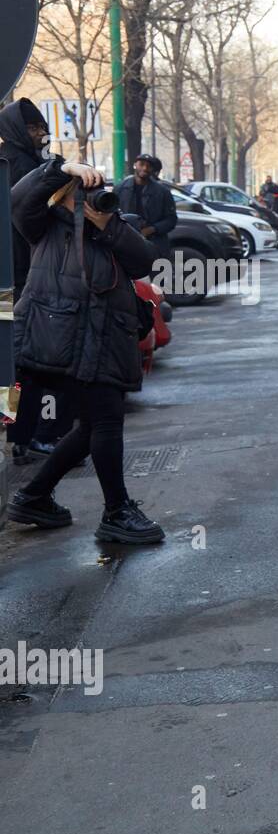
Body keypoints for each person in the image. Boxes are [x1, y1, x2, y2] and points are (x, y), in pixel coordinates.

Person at [5, 155, 166, 544]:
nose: (86, 200)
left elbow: (144, 261)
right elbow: (17, 197)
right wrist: (64, 169)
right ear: (61, 195)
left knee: (93, 425)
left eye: (92, 193)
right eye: (78, 193)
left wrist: (108, 227)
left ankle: (34, 496)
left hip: (102, 341)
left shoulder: (111, 226)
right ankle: (116, 511)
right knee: (106, 421)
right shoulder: (41, 226)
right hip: (60, 341)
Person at [1, 98, 73, 463]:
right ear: (18, 129)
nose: (41, 133)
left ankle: (18, 435)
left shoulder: (24, 162)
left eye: (42, 127)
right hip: (20, 281)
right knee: (27, 364)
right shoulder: (19, 166)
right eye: (33, 128)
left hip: (18, 279)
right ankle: (25, 436)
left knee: (15, 365)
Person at [114, 152, 176, 260]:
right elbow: (112, 215)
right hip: (126, 243)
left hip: (154, 244)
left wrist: (152, 229)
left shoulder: (162, 192)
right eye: (141, 164)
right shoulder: (120, 189)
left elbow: (171, 219)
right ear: (135, 165)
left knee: (157, 275)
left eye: (149, 166)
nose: (145, 168)